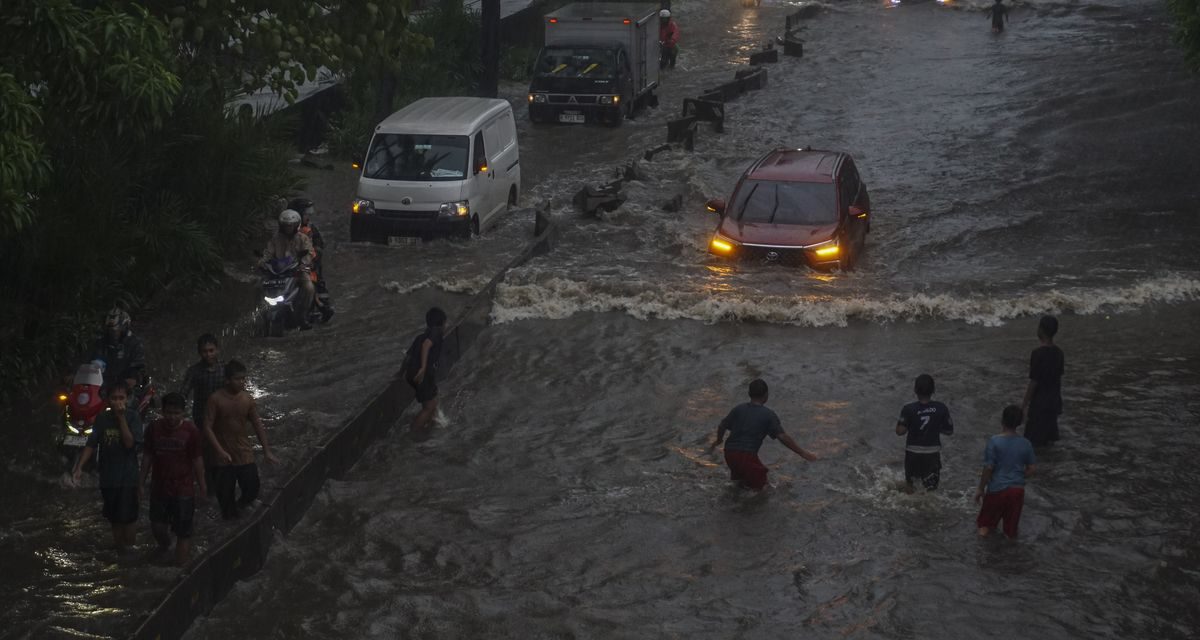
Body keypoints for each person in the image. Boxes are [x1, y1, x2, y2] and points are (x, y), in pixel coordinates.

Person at [72, 382, 143, 554]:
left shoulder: (133, 417)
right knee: (114, 517)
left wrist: (121, 418)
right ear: (108, 400)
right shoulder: (102, 418)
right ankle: (119, 549)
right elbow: (92, 444)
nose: (118, 402)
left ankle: (130, 549)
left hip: (127, 477)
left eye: (121, 398)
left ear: (127, 399)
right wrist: (79, 467)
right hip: (108, 477)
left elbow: (129, 443)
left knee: (128, 517)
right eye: (114, 398)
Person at [204, 360, 279, 519]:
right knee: (225, 500)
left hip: (243, 452)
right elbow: (207, 427)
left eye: (243, 378)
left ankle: (241, 509)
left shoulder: (247, 398)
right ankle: (229, 523)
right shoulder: (215, 399)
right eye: (238, 379)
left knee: (252, 488)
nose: (242, 382)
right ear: (227, 380)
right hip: (222, 457)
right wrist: (219, 451)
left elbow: (258, 424)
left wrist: (267, 451)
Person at [710, 379, 818, 491]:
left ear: (749, 394)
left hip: (729, 453)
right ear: (766, 395)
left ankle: (733, 505)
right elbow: (782, 436)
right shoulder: (768, 415)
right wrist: (803, 453)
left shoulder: (738, 409)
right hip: (746, 455)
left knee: (740, 484)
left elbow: (722, 426)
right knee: (762, 490)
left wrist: (718, 441)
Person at [140, 393, 205, 566]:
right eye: (168, 412)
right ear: (162, 411)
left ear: (183, 413)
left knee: (183, 531)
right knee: (157, 526)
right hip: (159, 486)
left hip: (183, 487)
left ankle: (179, 567)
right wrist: (140, 483)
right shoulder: (153, 429)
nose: (172, 417)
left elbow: (197, 459)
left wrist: (202, 485)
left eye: (176, 413)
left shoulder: (191, 431)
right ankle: (165, 545)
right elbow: (147, 456)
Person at [975, 405, 1036, 539]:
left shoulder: (994, 442)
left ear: (1002, 420)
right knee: (1010, 532)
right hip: (1017, 491)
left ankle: (979, 555)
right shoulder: (1026, 443)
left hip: (997, 489)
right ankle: (1010, 557)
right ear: (1019, 423)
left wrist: (980, 489)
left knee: (985, 526)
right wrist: (1019, 476)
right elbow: (1032, 469)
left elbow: (989, 468)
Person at [179, 333, 224, 495]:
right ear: (199, 353)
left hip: (222, 417)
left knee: (223, 450)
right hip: (202, 418)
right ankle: (209, 487)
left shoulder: (224, 369)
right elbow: (183, 392)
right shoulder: (194, 371)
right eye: (205, 351)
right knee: (206, 452)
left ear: (218, 350)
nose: (208, 354)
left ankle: (221, 484)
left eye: (211, 350)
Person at [895, 374, 954, 492]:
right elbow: (949, 431)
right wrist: (936, 426)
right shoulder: (941, 408)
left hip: (912, 453)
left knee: (911, 487)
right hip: (932, 454)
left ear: (915, 390)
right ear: (933, 390)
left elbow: (900, 431)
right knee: (930, 490)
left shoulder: (908, 409)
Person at [259, 209, 316, 330]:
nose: (288, 228)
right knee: (258, 286)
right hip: (277, 272)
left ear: (296, 225)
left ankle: (302, 316)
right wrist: (262, 262)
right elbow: (268, 253)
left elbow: (309, 253)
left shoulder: (303, 238)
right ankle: (259, 315)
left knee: (308, 287)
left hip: (297, 271)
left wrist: (304, 262)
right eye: (286, 226)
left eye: (291, 226)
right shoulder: (275, 239)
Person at [290, 197, 335, 322]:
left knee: (318, 285)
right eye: (306, 214)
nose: (308, 217)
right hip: (290, 265)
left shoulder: (311, 228)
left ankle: (320, 307)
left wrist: (314, 258)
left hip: (309, 265)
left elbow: (319, 244)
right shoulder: (286, 227)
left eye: (309, 214)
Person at [1022, 315, 1065, 447]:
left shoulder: (1037, 354)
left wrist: (1023, 405)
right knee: (1048, 439)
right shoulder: (1059, 353)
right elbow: (1058, 378)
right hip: (1054, 402)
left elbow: (1034, 382)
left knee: (1032, 441)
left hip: (1039, 404)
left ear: (1041, 330)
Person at [406, 307, 447, 431]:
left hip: (411, 374)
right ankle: (413, 432)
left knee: (431, 397)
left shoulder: (420, 336)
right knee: (430, 406)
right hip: (422, 374)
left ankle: (430, 423)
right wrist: (423, 368)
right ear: (441, 324)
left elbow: (408, 357)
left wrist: (400, 373)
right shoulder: (436, 333)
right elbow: (426, 346)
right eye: (445, 323)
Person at [92, 306, 145, 391]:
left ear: (124, 328)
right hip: (100, 385)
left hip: (125, 387)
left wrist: (133, 377)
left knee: (130, 401)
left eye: (116, 330)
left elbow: (138, 365)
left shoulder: (134, 344)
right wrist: (73, 373)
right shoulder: (100, 343)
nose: (112, 333)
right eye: (109, 330)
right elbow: (88, 360)